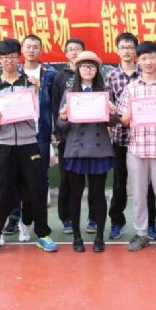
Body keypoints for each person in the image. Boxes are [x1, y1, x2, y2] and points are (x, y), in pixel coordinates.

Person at [0, 38, 58, 256]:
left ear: (19, 58)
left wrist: (36, 90)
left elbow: (36, 115)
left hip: (28, 143)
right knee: (1, 192)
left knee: (36, 190)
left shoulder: (29, 83)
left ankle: (43, 234)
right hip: (3, 145)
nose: (9, 61)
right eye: (5, 57)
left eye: (14, 57)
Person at [117, 41, 156, 254]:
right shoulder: (131, 88)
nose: (148, 62)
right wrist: (126, 118)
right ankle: (141, 233)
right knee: (138, 195)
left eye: (151, 57)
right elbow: (123, 120)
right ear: (138, 60)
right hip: (137, 149)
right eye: (143, 58)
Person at [57, 51, 118, 253]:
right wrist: (63, 117)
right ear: (77, 69)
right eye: (84, 66)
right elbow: (60, 125)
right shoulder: (69, 93)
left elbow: (112, 123)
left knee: (97, 194)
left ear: (97, 69)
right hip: (75, 148)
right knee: (75, 194)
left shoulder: (104, 92)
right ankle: (77, 236)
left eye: (91, 66)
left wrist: (113, 113)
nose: (88, 69)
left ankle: (99, 237)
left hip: (99, 148)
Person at [106, 32, 156, 240]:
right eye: (123, 47)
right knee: (120, 183)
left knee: (149, 184)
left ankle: (151, 224)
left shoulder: (147, 72)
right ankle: (117, 221)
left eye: (130, 47)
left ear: (136, 51)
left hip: (145, 138)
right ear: (116, 50)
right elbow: (108, 109)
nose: (126, 51)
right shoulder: (111, 76)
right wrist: (116, 120)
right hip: (121, 138)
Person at [14, 34, 58, 242]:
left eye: (35, 47)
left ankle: (41, 226)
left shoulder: (51, 74)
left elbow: (56, 104)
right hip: (18, 134)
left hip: (42, 133)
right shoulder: (14, 72)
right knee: (20, 180)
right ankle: (24, 221)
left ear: (41, 50)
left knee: (40, 181)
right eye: (28, 46)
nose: (31, 50)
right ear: (22, 50)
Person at [51, 38, 95, 235]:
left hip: (92, 139)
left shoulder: (95, 76)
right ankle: (66, 218)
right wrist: (59, 133)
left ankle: (93, 219)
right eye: (71, 49)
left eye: (78, 49)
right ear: (66, 54)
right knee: (67, 180)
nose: (74, 52)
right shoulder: (60, 77)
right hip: (68, 137)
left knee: (93, 181)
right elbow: (56, 108)